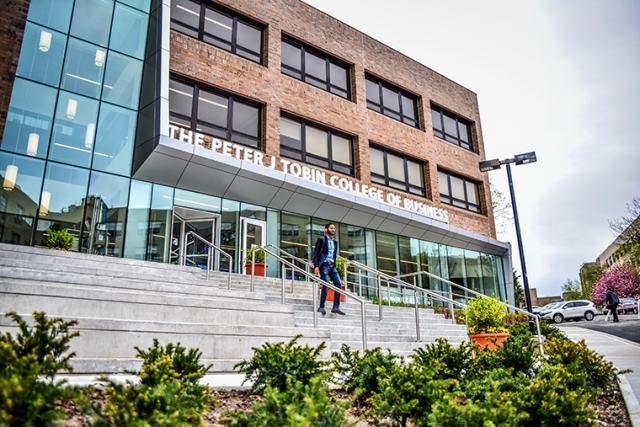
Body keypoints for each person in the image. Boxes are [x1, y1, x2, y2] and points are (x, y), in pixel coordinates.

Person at [312, 223, 345, 316]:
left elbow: (334, 255)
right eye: (331, 228)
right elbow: (316, 253)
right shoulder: (321, 239)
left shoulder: (335, 242)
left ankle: (336, 307)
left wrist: (334, 264)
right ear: (326, 229)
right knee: (326, 285)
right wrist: (316, 266)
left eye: (334, 228)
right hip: (324, 265)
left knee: (338, 284)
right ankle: (321, 306)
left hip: (332, 266)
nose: (333, 229)